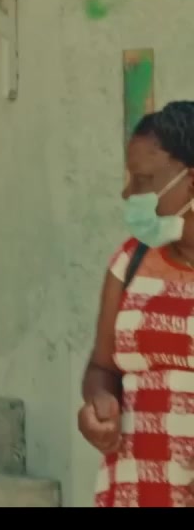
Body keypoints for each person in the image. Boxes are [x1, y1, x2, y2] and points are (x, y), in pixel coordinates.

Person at [81, 101, 194, 507]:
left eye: (144, 180)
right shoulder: (130, 262)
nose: (129, 193)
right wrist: (99, 404)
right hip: (135, 489)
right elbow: (103, 367)